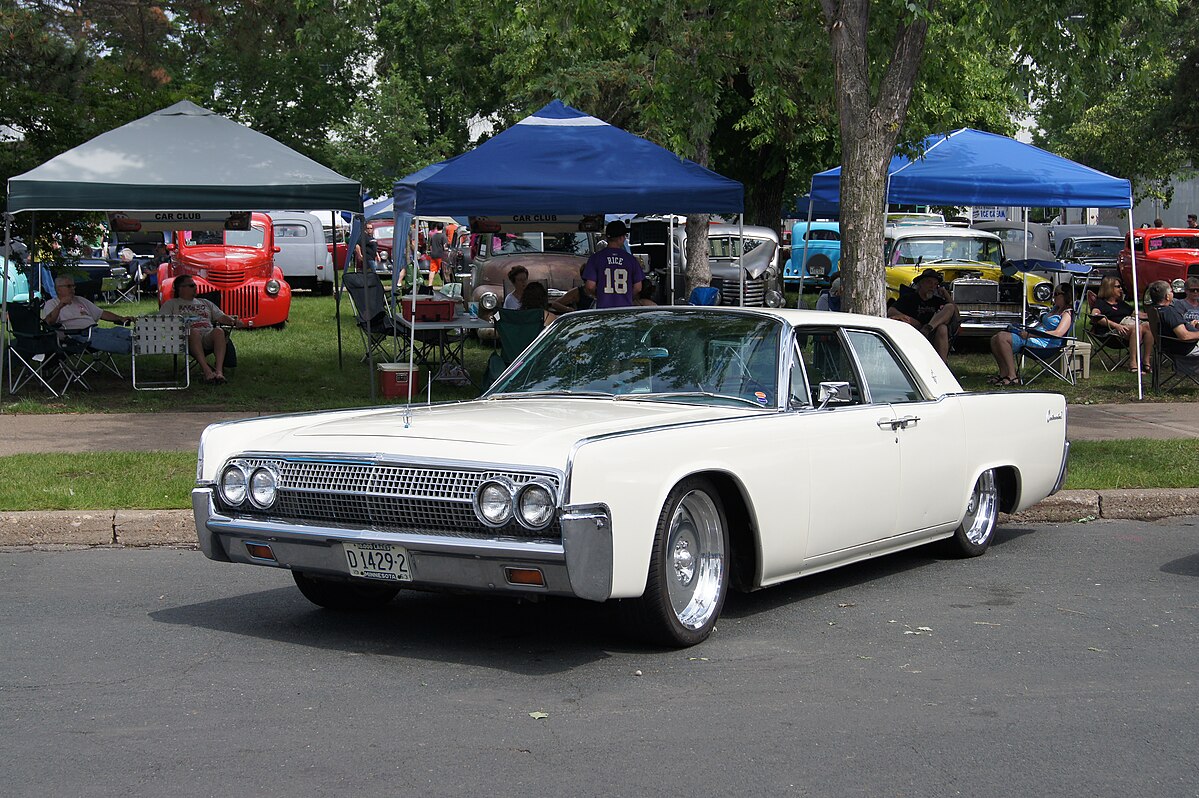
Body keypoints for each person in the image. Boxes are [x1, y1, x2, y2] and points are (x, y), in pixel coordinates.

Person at [160, 275, 250, 384]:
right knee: (193, 332)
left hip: (207, 335)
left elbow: (221, 317)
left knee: (218, 331)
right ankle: (207, 371)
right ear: (180, 288)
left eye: (195, 285)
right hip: (186, 338)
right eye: (191, 285)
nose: (195, 287)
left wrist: (234, 321)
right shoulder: (171, 304)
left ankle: (219, 372)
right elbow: (162, 322)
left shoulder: (204, 302)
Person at [988, 282, 1075, 386]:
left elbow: (1058, 333)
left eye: (1056, 294)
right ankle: (1003, 374)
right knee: (994, 339)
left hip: (1046, 344)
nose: (1053, 296)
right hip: (1034, 336)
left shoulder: (1067, 314)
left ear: (1065, 295)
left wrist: (1032, 334)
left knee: (1002, 338)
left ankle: (1012, 376)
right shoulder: (1055, 309)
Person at [41, 276, 133, 353]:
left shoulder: (79, 300)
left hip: (94, 330)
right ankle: (136, 346)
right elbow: (49, 322)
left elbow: (101, 313)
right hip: (76, 336)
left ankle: (141, 339)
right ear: (58, 289)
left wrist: (120, 318)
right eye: (69, 286)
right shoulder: (52, 303)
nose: (73, 289)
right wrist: (60, 306)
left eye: (73, 286)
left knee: (123, 332)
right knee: (120, 344)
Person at [886, 268, 960, 363]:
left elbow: (957, 317)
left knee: (944, 321)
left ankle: (942, 365)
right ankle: (925, 330)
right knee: (941, 327)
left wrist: (946, 295)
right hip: (914, 332)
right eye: (929, 283)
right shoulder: (910, 298)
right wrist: (908, 319)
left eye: (935, 284)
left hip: (933, 334)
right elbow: (891, 311)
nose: (932, 286)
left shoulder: (937, 300)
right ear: (920, 283)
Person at [1089, 275, 1153, 373]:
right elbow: (1095, 316)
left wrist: (1154, 313)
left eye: (1120, 286)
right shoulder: (1101, 303)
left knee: (1148, 326)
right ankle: (1133, 363)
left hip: (1128, 332)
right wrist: (1116, 326)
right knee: (1137, 328)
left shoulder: (1121, 304)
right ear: (1109, 287)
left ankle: (1146, 362)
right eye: (1118, 286)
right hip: (1110, 333)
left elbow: (1138, 314)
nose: (1121, 289)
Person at [583, 220, 644, 308]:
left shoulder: (595, 258)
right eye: (624, 236)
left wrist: (599, 295)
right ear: (620, 238)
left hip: (603, 310)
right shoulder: (631, 260)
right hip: (624, 310)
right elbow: (638, 287)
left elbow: (590, 286)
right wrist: (627, 297)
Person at [1151, 279, 1199, 360]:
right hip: (1187, 348)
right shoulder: (1169, 311)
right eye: (1171, 291)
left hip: (1172, 345)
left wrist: (1189, 326)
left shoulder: (1156, 310)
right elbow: (1184, 336)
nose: (1172, 293)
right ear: (1167, 296)